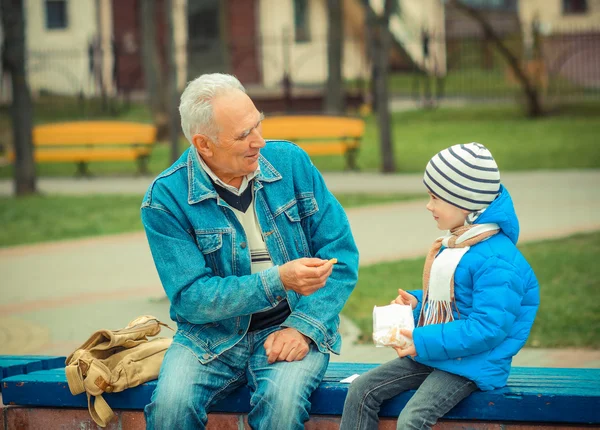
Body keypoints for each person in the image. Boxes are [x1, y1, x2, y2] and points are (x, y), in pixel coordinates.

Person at [140, 73, 359, 430]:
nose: (259, 141)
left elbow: (341, 256)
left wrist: (303, 328)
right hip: (209, 336)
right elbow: (191, 298)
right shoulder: (165, 199)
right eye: (244, 135)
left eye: (258, 125)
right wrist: (278, 280)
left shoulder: (291, 163)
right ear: (204, 145)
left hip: (292, 324)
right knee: (170, 409)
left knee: (282, 407)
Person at [340, 142, 539, 430]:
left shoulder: (498, 261)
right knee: (361, 391)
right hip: (442, 352)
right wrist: (418, 303)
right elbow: (456, 302)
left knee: (412, 419)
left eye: (435, 198)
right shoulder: (462, 241)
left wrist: (420, 340)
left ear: (465, 202)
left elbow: (487, 329)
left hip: (474, 363)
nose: (428, 205)